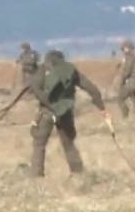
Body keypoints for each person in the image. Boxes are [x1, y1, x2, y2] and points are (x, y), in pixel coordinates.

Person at [28, 49, 111, 177]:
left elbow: (35, 88)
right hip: (65, 112)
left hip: (47, 112)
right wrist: (101, 107)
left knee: (39, 144)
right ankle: (78, 173)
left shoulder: (43, 70)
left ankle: (36, 176)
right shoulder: (70, 71)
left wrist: (49, 103)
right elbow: (91, 88)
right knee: (68, 143)